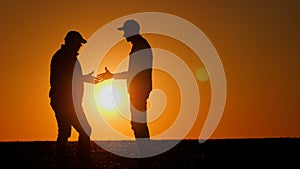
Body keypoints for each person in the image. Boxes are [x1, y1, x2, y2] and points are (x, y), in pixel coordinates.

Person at [98, 19, 153, 159]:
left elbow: (133, 72)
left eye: (125, 31)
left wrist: (112, 76)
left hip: (139, 91)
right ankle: (144, 155)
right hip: (138, 91)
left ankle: (144, 156)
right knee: (138, 123)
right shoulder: (140, 45)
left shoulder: (140, 47)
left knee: (138, 124)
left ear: (132, 31)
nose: (124, 35)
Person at [49, 30, 96, 168]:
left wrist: (84, 78)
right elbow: (65, 79)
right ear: (71, 42)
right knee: (83, 130)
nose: (80, 46)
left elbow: (70, 78)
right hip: (66, 103)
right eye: (78, 43)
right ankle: (83, 162)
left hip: (68, 102)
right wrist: (84, 78)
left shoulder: (66, 57)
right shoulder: (63, 58)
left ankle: (65, 163)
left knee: (65, 131)